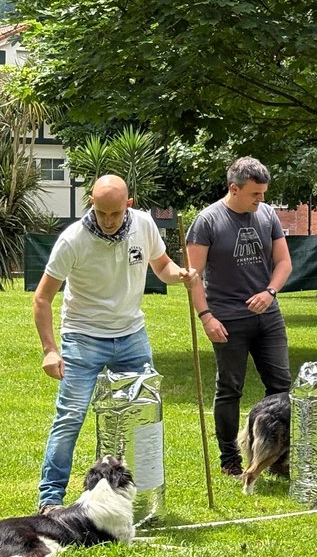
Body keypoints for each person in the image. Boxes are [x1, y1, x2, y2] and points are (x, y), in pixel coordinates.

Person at [32, 175, 197, 512]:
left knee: (143, 415)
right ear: (91, 204)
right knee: (71, 416)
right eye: (100, 212)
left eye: (115, 213)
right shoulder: (73, 240)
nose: (107, 221)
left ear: (129, 205)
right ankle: (50, 499)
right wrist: (50, 350)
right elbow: (42, 298)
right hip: (82, 336)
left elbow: (162, 265)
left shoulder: (144, 225)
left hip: (131, 334)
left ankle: (138, 494)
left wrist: (179, 274)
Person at [187, 156, 292, 477]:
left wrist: (269, 292)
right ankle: (230, 458)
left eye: (263, 194)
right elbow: (193, 275)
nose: (261, 200)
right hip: (227, 320)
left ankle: (277, 455)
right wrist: (206, 317)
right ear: (234, 189)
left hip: (268, 317)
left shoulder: (268, 215)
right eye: (255, 194)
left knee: (281, 385)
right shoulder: (207, 222)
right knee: (230, 388)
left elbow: (284, 263)